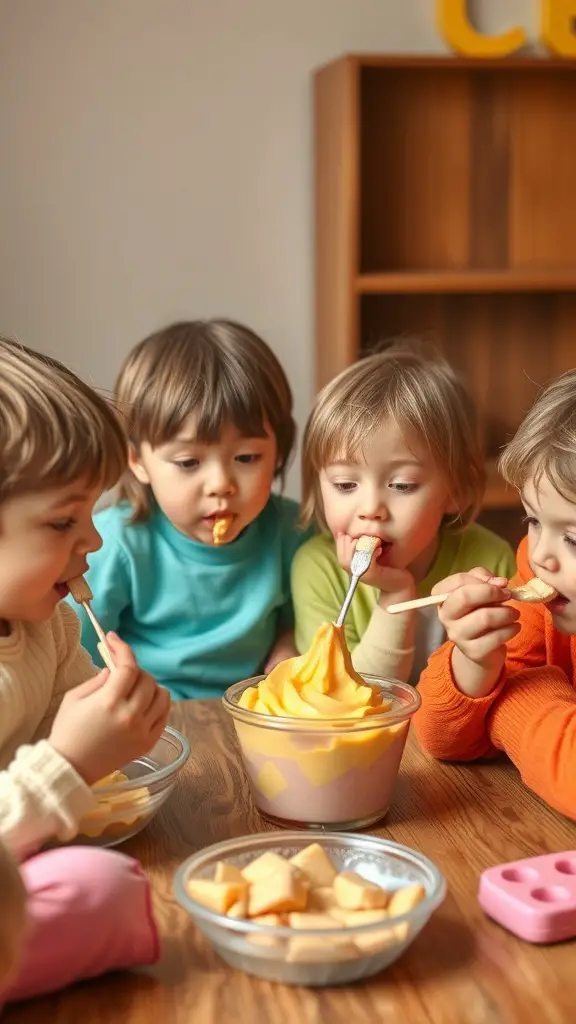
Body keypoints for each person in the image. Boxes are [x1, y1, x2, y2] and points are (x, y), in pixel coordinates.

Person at [0, 337, 169, 1003]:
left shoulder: (49, 624)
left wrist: (113, 723)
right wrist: (68, 766)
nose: (93, 541)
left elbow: (71, 735)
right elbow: (63, 763)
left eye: (91, 513)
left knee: (100, 885)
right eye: (64, 520)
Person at [69, 320, 310, 699]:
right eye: (188, 462)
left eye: (246, 457)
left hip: (258, 712)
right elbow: (71, 655)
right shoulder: (113, 545)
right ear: (138, 460)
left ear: (278, 451)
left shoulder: (294, 533)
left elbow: (306, 623)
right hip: (150, 719)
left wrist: (287, 648)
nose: (220, 484)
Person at [292, 343, 515, 684]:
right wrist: (395, 593)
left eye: (402, 485)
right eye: (345, 484)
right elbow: (343, 695)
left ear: (457, 489)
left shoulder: (490, 561)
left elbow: (511, 678)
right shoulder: (317, 568)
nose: (370, 510)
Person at [414, 370, 576, 820]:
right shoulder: (547, 583)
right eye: (534, 521)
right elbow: (441, 738)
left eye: (574, 540)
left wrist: (515, 699)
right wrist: (478, 662)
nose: (541, 556)